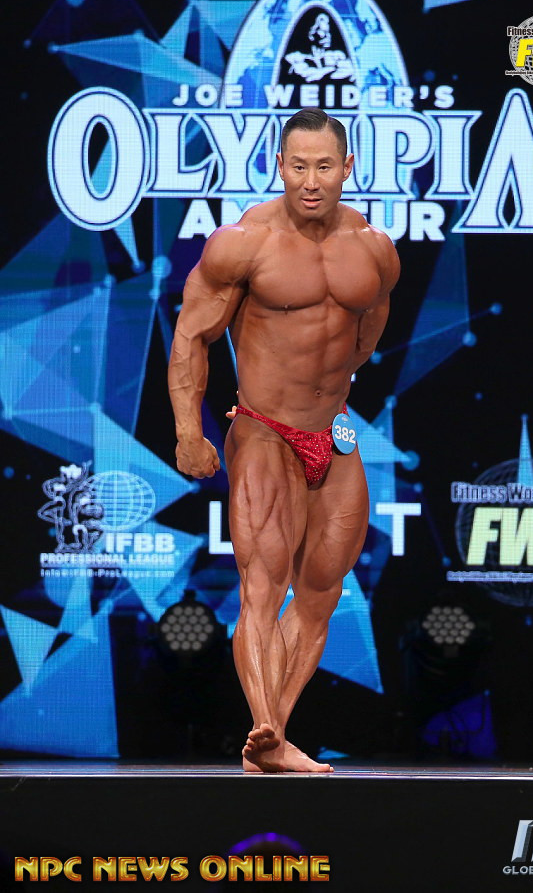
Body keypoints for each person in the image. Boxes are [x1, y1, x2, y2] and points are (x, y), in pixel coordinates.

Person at [168, 107, 400, 772]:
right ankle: (265, 723)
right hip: (264, 429)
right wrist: (189, 431)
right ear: (279, 165)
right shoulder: (244, 243)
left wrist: (330, 390)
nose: (310, 180)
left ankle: (273, 740)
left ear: (347, 167)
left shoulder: (374, 249)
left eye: (324, 166)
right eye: (298, 166)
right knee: (263, 586)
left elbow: (368, 329)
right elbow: (192, 336)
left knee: (322, 590)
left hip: (334, 429)